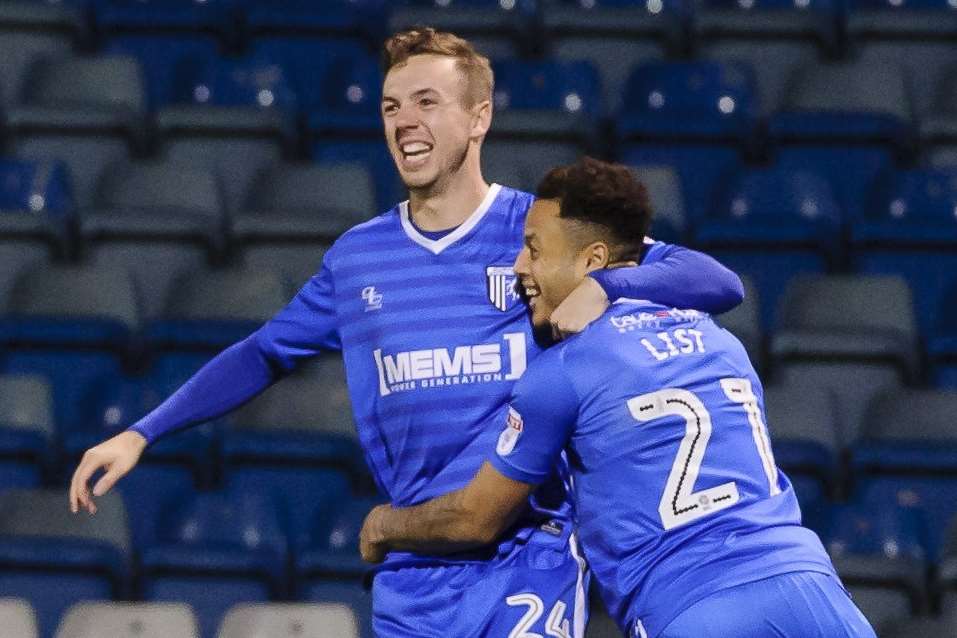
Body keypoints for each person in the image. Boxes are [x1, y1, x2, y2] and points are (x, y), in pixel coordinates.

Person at [69, 31, 745, 637]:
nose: (404, 122)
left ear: (478, 117)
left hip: (526, 556)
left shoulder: (540, 233)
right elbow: (263, 352)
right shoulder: (358, 258)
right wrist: (141, 432)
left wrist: (606, 284)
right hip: (411, 571)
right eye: (391, 106)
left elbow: (714, 281)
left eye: (426, 102)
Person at [359, 157, 876, 638]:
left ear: (594, 260)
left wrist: (385, 525)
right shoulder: (719, 338)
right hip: (810, 587)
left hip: (692, 605)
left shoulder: (561, 373)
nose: (519, 265)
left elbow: (474, 519)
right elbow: (718, 281)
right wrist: (609, 286)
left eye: (535, 249)